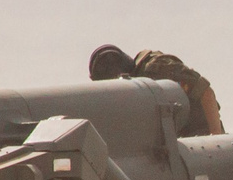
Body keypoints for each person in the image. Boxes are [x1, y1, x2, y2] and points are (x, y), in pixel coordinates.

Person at [87, 44, 224, 136]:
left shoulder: (156, 70)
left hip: (204, 141)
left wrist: (217, 140)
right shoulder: (135, 94)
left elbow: (205, 92)